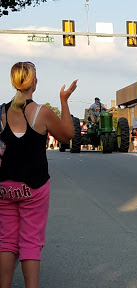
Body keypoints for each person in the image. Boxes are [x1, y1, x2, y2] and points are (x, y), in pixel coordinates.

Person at [0, 61, 77, 288]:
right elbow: (67, 135)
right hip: (34, 188)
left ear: (14, 82)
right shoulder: (41, 113)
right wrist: (63, 101)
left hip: (4, 187)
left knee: (6, 243)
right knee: (30, 243)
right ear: (34, 82)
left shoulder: (1, 112)